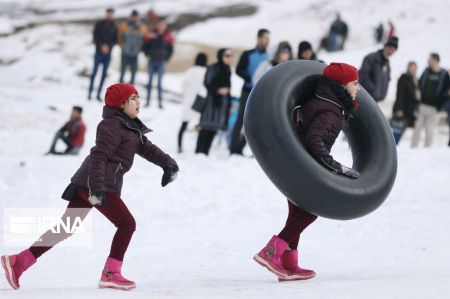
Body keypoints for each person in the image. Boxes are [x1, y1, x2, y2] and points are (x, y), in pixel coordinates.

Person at [2, 83, 179, 291]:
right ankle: (111, 273)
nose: (138, 102)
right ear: (121, 104)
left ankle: (18, 262)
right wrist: (97, 188)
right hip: (98, 183)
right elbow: (99, 156)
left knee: (65, 228)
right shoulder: (112, 125)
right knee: (126, 224)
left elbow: (148, 149)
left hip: (91, 182)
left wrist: (168, 164)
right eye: (133, 98)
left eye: (138, 97)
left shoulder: (131, 128)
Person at [253, 63, 360, 282]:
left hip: (293, 163)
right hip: (302, 166)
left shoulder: (324, 101)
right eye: (355, 83)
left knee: (297, 214)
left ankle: (289, 264)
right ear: (343, 85)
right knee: (311, 210)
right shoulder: (331, 110)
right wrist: (334, 166)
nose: (358, 89)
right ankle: (270, 252)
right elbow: (314, 140)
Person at [229, 29, 270, 155]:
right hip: (247, 91)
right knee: (241, 119)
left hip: (260, 93)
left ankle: (240, 148)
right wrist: (250, 78)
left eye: (268, 38)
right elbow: (238, 70)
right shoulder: (248, 54)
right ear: (258, 39)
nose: (267, 41)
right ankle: (233, 148)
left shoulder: (269, 56)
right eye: (265, 38)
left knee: (254, 122)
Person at [195, 49, 233, 155]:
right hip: (211, 102)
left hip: (222, 103)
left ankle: (205, 153)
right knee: (206, 128)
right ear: (221, 56)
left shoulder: (228, 69)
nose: (229, 57)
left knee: (214, 129)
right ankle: (198, 152)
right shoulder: (213, 68)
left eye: (231, 55)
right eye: (227, 55)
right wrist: (218, 90)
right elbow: (206, 82)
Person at [411, 53, 450, 148]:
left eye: (430, 59)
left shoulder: (444, 74)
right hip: (422, 105)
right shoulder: (426, 72)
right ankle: (413, 148)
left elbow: (447, 90)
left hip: (434, 108)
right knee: (417, 128)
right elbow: (419, 84)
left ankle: (427, 149)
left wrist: (441, 104)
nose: (428, 61)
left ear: (435, 60)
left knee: (429, 129)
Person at [177, 53, 208, 153]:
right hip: (200, 101)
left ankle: (179, 146)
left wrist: (186, 95)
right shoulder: (206, 71)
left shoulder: (190, 71)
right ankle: (198, 148)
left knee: (184, 125)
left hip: (188, 100)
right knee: (200, 125)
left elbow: (183, 86)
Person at [143, 18, 175, 108]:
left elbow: (171, 49)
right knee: (149, 82)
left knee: (159, 83)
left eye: (163, 24)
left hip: (161, 62)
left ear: (165, 26)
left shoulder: (168, 36)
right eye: (160, 24)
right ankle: (147, 101)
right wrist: (147, 54)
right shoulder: (151, 34)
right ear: (157, 25)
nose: (161, 26)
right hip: (151, 61)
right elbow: (145, 45)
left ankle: (160, 102)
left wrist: (167, 58)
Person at [88, 8, 118, 101]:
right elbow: (95, 36)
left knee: (103, 75)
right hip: (98, 53)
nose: (110, 16)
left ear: (113, 15)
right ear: (106, 14)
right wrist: (101, 45)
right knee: (94, 73)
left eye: (111, 14)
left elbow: (115, 40)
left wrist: (108, 47)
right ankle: (89, 94)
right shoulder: (99, 24)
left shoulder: (115, 26)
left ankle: (98, 95)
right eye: (108, 14)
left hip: (108, 54)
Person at [359, 36, 399, 102]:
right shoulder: (371, 58)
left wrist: (381, 95)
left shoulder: (387, 64)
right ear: (386, 46)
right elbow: (363, 76)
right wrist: (373, 90)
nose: (391, 51)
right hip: (365, 99)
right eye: (390, 48)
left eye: (394, 49)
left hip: (375, 101)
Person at [118, 10, 148, 85]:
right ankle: (121, 83)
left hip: (135, 52)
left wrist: (140, 48)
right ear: (131, 16)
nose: (134, 18)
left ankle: (131, 84)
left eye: (136, 17)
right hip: (125, 51)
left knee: (133, 70)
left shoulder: (142, 26)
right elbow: (120, 36)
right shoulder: (124, 25)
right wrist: (122, 46)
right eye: (133, 16)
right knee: (123, 69)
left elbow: (145, 37)